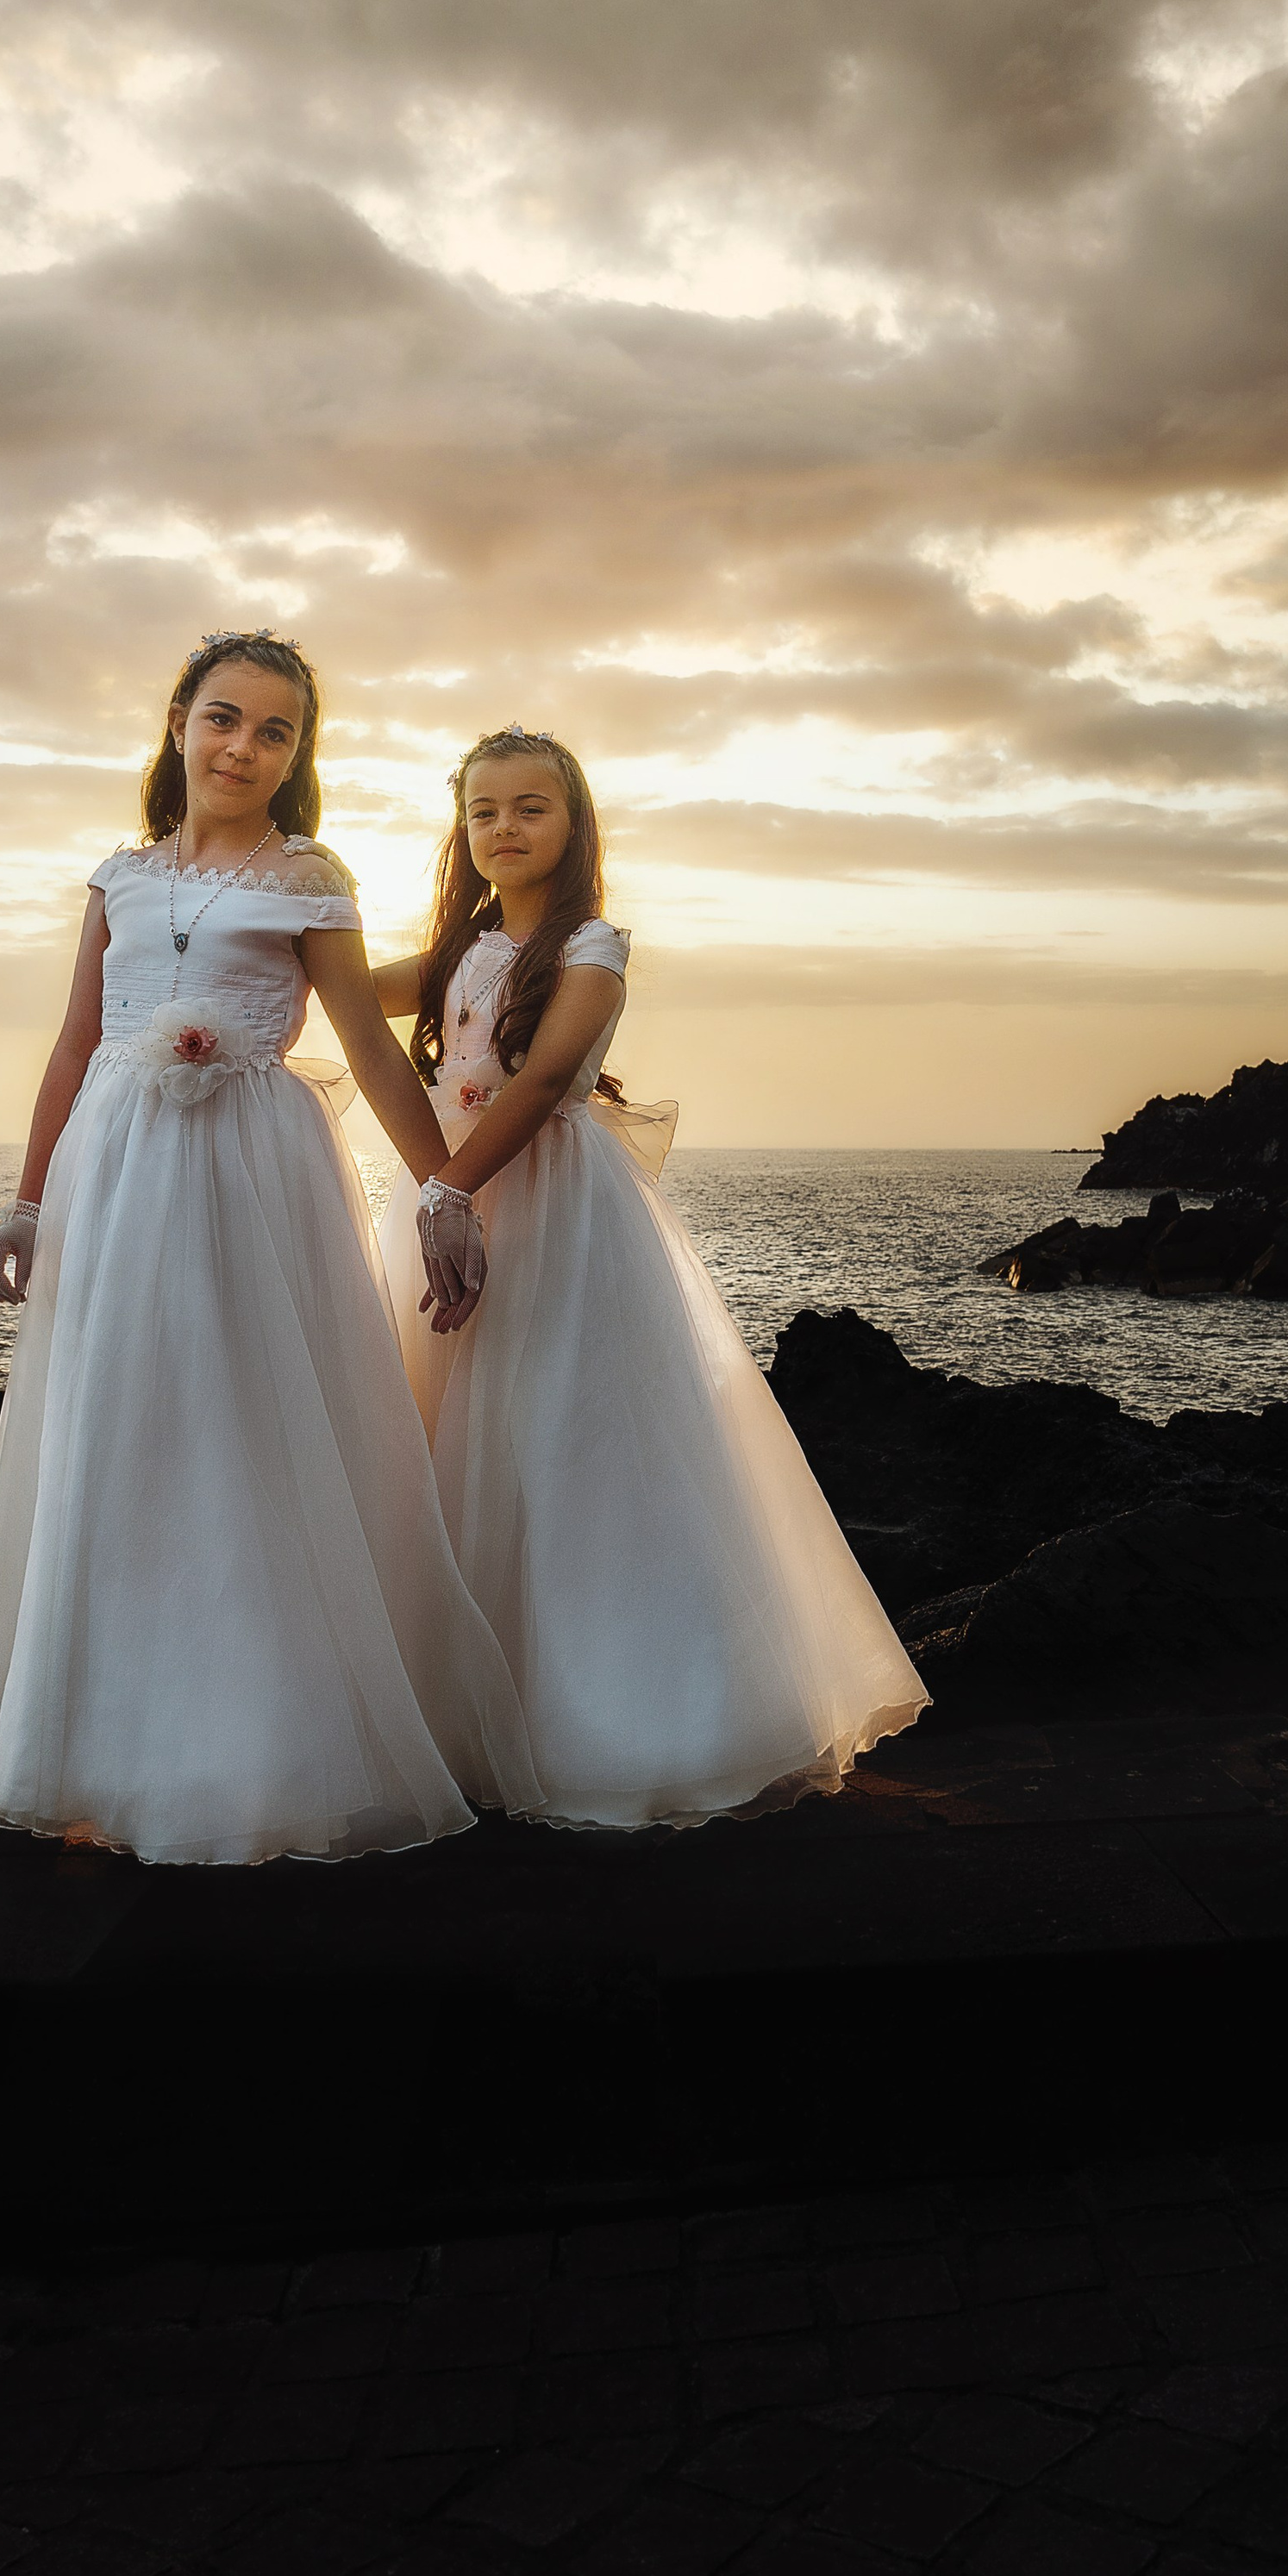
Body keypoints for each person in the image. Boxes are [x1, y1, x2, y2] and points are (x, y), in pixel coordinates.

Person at [0, 634, 534, 1864]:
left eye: (275, 732)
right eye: (224, 719)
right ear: (177, 721)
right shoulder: (119, 877)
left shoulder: (310, 878)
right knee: (119, 1425)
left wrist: (442, 1189)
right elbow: (71, 1047)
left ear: (295, 755)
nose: (244, 748)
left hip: (250, 1180)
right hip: (115, 1172)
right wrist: (30, 1199)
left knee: (239, 1429)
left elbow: (372, 1048)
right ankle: (103, 1736)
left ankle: (265, 1738)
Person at [374, 726, 928, 1830]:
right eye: (483, 810)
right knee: (440, 1443)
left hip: (547, 1211)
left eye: (531, 807)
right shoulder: (459, 950)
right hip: (446, 1190)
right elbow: (347, 984)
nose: (504, 829)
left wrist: (449, 1191)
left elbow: (533, 1087)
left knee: (564, 1441)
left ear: (573, 824)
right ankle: (460, 1715)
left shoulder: (593, 946)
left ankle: (622, 1722)